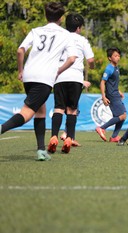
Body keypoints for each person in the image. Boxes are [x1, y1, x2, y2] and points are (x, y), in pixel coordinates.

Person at [0, 2, 77, 161]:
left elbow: (20, 51)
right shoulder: (66, 34)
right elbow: (72, 59)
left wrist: (20, 70)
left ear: (45, 16)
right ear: (61, 18)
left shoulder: (36, 31)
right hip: (44, 78)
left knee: (40, 111)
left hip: (29, 75)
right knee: (27, 112)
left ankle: (41, 150)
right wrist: (58, 71)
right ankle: (2, 128)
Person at [48, 13, 94, 154]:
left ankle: (54, 136)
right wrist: (91, 68)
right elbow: (90, 60)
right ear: (79, 28)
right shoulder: (82, 40)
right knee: (72, 110)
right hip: (75, 78)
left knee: (58, 108)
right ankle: (69, 138)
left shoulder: (60, 38)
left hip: (59, 76)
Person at [95, 47, 126, 143]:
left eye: (119, 56)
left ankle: (114, 137)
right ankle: (102, 128)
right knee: (122, 116)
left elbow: (112, 82)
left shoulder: (116, 68)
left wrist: (119, 91)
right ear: (109, 58)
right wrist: (103, 97)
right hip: (112, 95)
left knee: (123, 115)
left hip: (115, 93)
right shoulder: (109, 68)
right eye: (115, 56)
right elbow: (102, 82)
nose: (118, 57)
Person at [59, 80, 91, 147]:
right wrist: (81, 82)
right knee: (72, 112)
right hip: (72, 84)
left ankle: (67, 135)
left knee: (70, 113)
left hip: (64, 85)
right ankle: (68, 136)